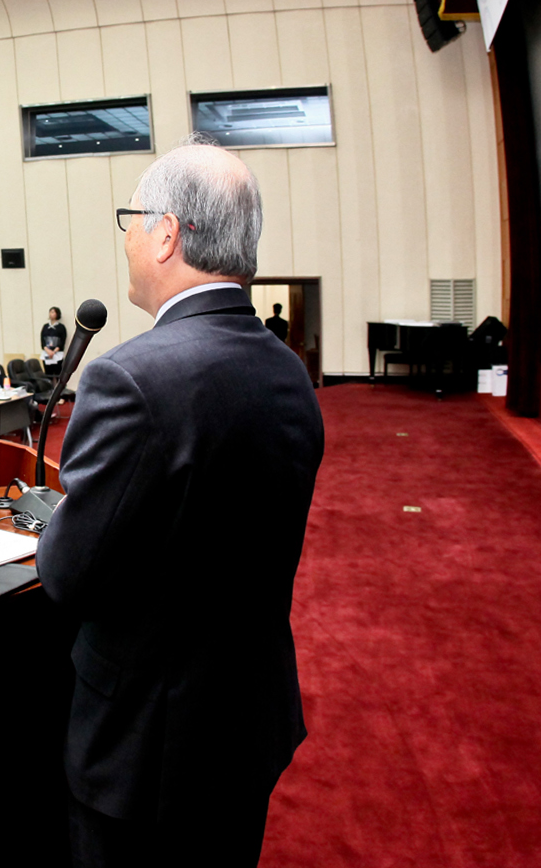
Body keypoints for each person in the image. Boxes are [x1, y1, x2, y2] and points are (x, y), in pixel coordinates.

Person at [35, 140, 323, 866]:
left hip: (147, 751)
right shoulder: (288, 371)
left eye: (133, 218)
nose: (129, 236)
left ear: (166, 234)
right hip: (243, 724)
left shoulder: (132, 378)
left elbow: (69, 575)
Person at [41, 306, 68, 372]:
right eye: (50, 312)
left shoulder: (61, 327)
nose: (51, 314)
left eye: (53, 312)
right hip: (47, 353)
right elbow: (42, 340)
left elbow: (62, 341)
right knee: (48, 374)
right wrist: (48, 351)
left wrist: (54, 352)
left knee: (58, 373)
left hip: (57, 353)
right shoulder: (45, 326)